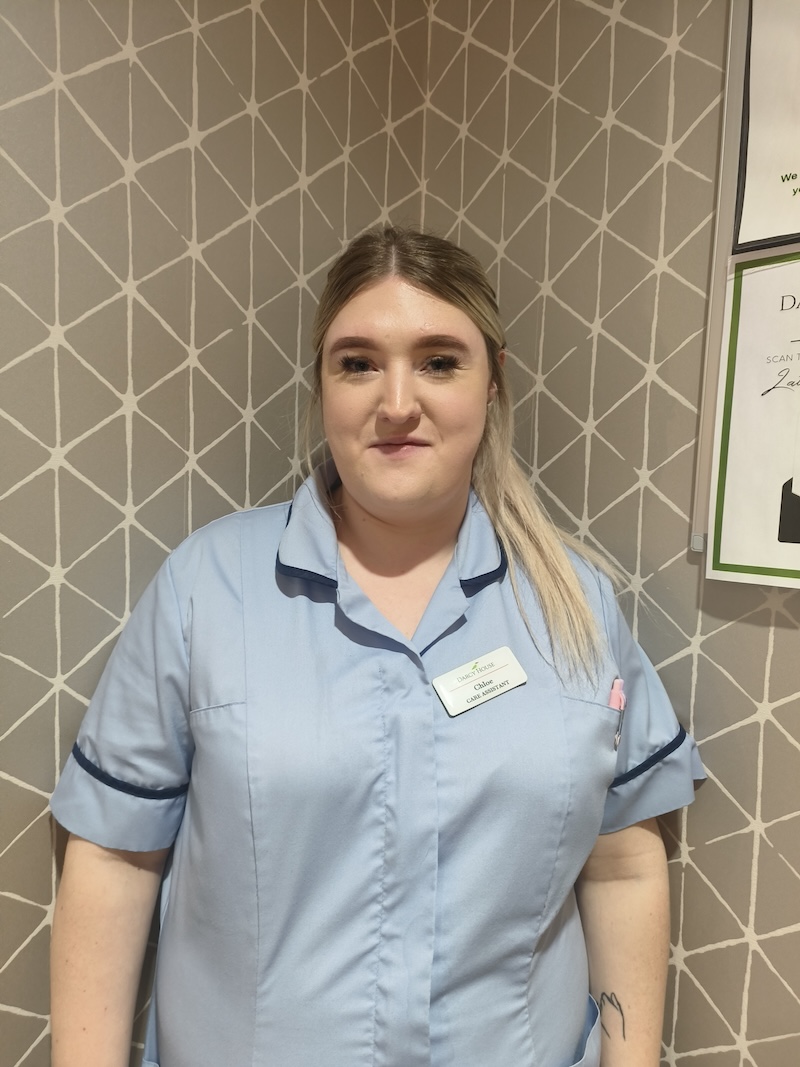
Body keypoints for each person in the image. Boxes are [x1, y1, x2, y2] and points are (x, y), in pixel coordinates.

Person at [50, 224, 704, 1067]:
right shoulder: (206, 589)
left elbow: (620, 863)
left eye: (439, 361)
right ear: (322, 383)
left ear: (493, 382)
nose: (397, 402)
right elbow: (115, 857)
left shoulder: (575, 605)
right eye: (358, 362)